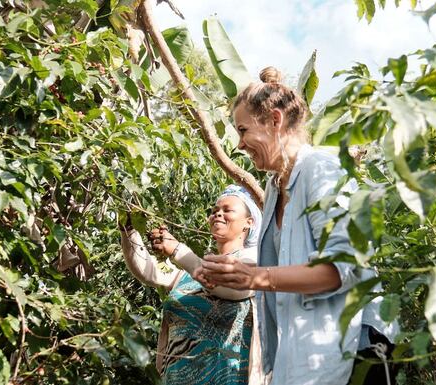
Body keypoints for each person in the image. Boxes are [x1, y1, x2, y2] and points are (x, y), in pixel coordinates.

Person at [195, 67, 398, 385]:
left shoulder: (322, 169)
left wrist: (255, 276)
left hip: (357, 350)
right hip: (305, 351)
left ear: (275, 121)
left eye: (243, 130)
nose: (239, 144)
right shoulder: (275, 187)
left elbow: (343, 267)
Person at [120, 185, 265, 385]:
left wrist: (178, 250)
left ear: (249, 222)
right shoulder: (190, 271)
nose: (218, 215)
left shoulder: (254, 264)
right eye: (214, 211)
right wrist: (129, 229)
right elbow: (149, 272)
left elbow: (229, 286)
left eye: (227, 210)